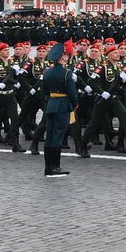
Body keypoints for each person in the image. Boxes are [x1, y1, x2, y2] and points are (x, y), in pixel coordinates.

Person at [42, 40, 78, 178]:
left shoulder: (47, 72)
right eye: (66, 55)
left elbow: (44, 92)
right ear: (62, 57)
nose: (67, 57)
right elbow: (72, 93)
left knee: (50, 136)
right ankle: (55, 167)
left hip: (51, 104)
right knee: (57, 136)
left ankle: (48, 167)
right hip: (62, 105)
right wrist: (74, 104)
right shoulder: (66, 73)